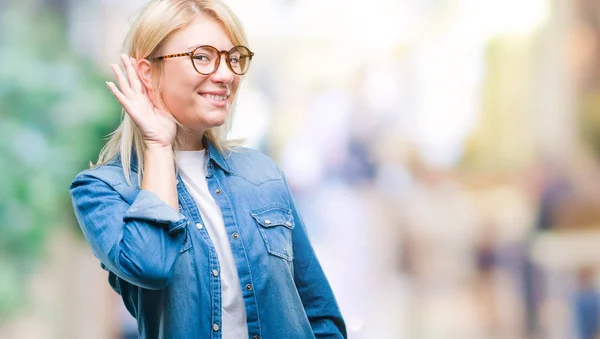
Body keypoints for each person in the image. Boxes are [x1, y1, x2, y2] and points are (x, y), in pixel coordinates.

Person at [69, 1, 347, 338]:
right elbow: (151, 265)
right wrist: (157, 144)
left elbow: (320, 315)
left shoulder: (262, 174)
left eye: (232, 58)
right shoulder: (104, 190)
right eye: (202, 57)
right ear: (147, 72)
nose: (227, 74)